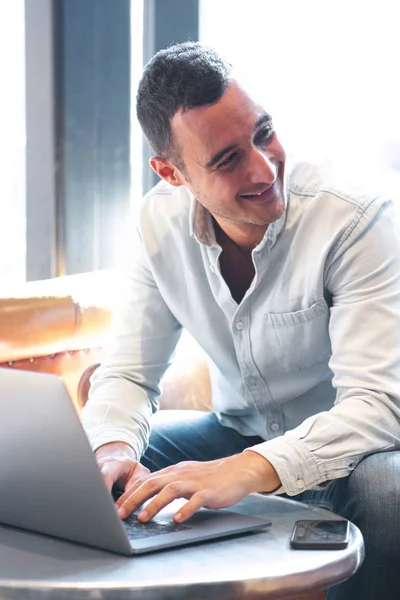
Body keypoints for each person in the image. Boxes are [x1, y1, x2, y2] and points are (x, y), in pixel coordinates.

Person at [82, 42, 400, 600]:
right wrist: (112, 450)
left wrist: (248, 469)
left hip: (362, 450)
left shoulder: (353, 219)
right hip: (236, 434)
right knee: (92, 478)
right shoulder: (158, 224)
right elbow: (129, 376)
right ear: (170, 172)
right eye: (227, 159)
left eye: (263, 132)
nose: (263, 166)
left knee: (389, 491)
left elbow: (377, 407)